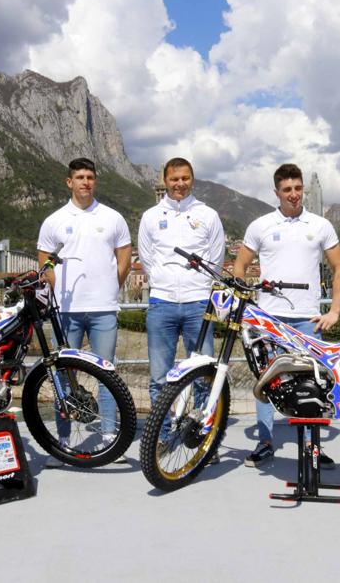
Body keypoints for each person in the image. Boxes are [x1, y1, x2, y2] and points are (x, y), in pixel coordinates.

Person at [232, 163, 340, 468]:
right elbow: (239, 266)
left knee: (313, 382)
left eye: (297, 188)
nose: (293, 194)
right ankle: (265, 442)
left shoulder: (321, 225)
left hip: (308, 319)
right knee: (266, 380)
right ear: (277, 192)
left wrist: (335, 310)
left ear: (302, 189)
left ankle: (312, 446)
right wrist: (248, 305)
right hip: (268, 319)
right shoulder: (260, 226)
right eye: (287, 190)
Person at [36, 158, 132, 467]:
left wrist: (110, 287)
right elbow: (44, 263)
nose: (85, 182)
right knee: (63, 378)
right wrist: (60, 291)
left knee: (107, 376)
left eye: (90, 177)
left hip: (104, 309)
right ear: (69, 182)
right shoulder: (54, 220)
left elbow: (125, 258)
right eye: (80, 177)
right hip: (67, 312)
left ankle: (109, 439)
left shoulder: (113, 218)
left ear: (95, 181)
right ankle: (63, 443)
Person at [138, 157, 225, 456]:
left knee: (203, 375)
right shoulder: (150, 216)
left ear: (192, 179)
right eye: (174, 179)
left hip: (198, 303)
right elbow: (147, 258)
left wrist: (198, 286)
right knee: (159, 378)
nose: (180, 184)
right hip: (161, 303)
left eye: (185, 178)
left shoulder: (208, 215)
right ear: (165, 181)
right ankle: (162, 437)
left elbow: (216, 260)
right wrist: (162, 281)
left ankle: (201, 439)